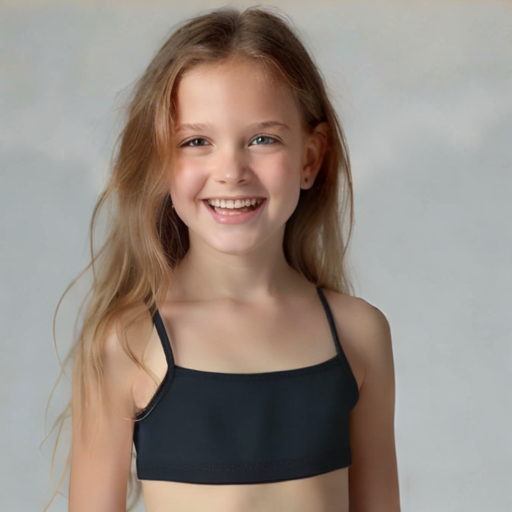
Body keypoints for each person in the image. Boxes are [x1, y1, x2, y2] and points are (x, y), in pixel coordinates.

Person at [44, 5, 401, 512]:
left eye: (262, 139)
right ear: (159, 161)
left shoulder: (359, 335)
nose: (231, 171)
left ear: (310, 158)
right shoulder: (125, 344)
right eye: (196, 141)